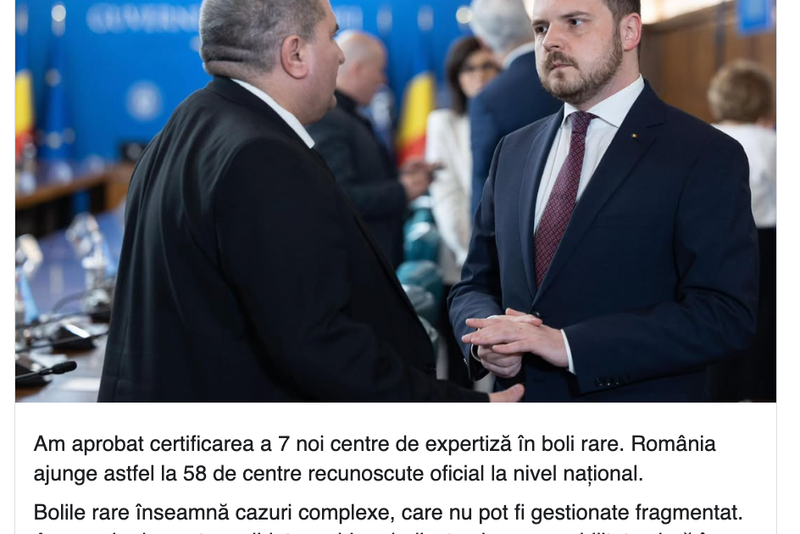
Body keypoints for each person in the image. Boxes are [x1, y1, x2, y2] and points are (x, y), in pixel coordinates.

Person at [98, 0, 523, 403]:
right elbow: (319, 347)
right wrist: (465, 410)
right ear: (295, 54)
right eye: (332, 35)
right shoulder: (261, 155)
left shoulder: (187, 124)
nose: (340, 55)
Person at [448, 0, 759, 401]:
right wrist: (485, 340)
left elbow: (725, 314)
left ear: (629, 31)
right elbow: (474, 282)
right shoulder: (513, 150)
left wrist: (571, 346)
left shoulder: (704, 154)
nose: (551, 41)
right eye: (541, 28)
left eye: (574, 22)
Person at [307, 31, 436, 268]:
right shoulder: (328, 118)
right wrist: (401, 190)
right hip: (356, 263)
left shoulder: (349, 115)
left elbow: (362, 176)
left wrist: (400, 176)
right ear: (358, 69)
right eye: (379, 70)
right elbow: (339, 196)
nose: (383, 80)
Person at [425, 36, 500, 388]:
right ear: (456, 77)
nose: (479, 76)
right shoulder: (444, 122)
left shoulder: (510, 118)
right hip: (461, 263)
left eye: (487, 66)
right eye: (469, 69)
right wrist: (478, 257)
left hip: (506, 264)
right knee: (463, 373)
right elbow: (447, 198)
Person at [705, 60, 776, 401]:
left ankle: (720, 391)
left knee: (716, 315)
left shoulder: (702, 137)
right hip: (764, 242)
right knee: (764, 323)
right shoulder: (770, 143)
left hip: (711, 242)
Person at [468, 0, 562, 216]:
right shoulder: (572, 75)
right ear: (529, 21)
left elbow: (484, 185)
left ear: (483, 42)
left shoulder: (488, 100)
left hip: (520, 223)